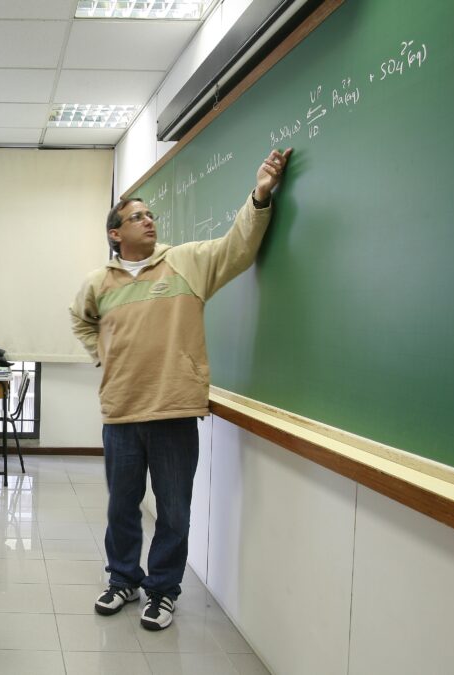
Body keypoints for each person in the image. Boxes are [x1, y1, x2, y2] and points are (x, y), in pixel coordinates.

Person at [69, 148, 292, 631]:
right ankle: (123, 579)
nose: (148, 221)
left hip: (173, 408)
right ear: (115, 233)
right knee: (121, 506)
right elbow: (80, 320)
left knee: (173, 509)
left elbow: (238, 247)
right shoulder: (98, 282)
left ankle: (162, 591)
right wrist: (102, 353)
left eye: (151, 215)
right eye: (136, 217)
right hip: (121, 412)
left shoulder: (186, 262)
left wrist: (260, 195)